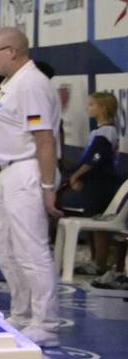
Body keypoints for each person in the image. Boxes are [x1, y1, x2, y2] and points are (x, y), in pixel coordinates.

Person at [0, 26, 60, 345]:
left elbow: (45, 139)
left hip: (27, 173)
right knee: (1, 246)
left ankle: (47, 322)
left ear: (11, 51)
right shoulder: (14, 84)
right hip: (8, 171)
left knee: (31, 249)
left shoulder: (31, 84)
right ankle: (23, 312)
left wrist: (48, 185)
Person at [63, 91, 124, 284]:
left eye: (91, 105)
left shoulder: (107, 132)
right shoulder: (99, 131)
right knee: (92, 220)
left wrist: (76, 174)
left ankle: (100, 262)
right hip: (94, 183)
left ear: (102, 108)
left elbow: (94, 160)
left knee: (98, 224)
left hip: (101, 184)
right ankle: (95, 260)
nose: (87, 108)